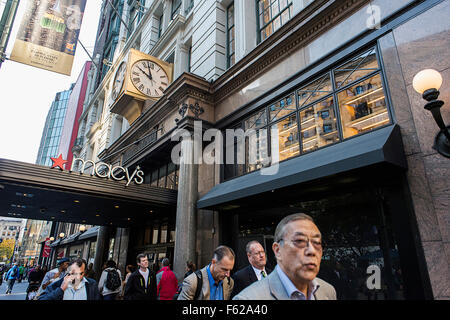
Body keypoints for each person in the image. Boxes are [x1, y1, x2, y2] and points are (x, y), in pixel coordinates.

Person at [233, 213, 336, 300]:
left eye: (317, 242)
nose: (312, 251)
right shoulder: (247, 298)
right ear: (277, 250)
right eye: (299, 241)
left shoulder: (328, 291)